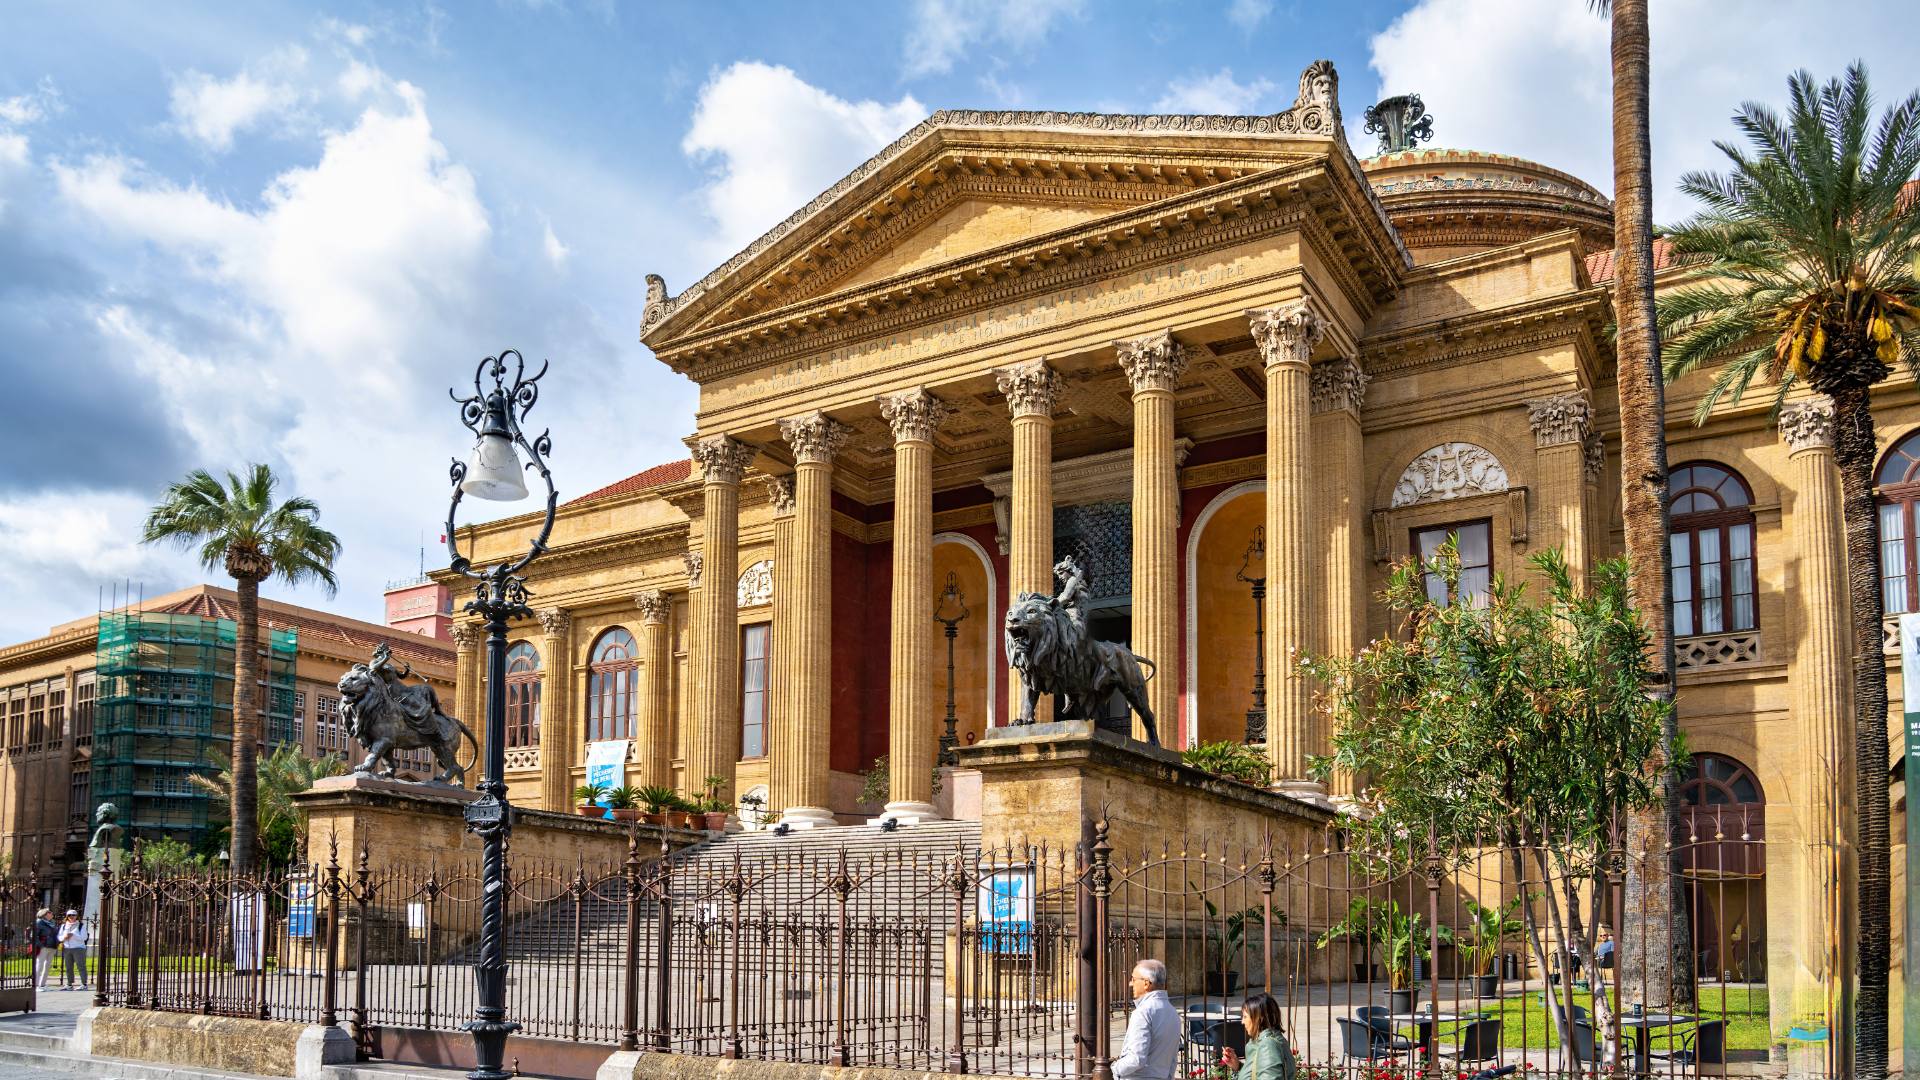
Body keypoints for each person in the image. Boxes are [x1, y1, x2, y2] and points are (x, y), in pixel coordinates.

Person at [1112, 958, 1180, 1080]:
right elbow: (1173, 1060)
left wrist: (1115, 1069)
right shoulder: (1172, 1012)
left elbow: (1136, 1059)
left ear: (1146, 983)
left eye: (1133, 979)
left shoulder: (1143, 1012)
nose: (1130, 983)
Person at [1220, 993, 1297, 1080]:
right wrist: (1238, 1066)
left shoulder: (1268, 1045)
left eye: (1245, 1017)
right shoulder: (1267, 1041)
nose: (1242, 1022)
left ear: (1259, 1018)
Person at [57, 909, 89, 989]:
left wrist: (73, 935)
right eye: (69, 915)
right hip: (67, 948)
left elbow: (84, 937)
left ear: (76, 916)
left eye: (73, 915)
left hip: (78, 948)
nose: (71, 917)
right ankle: (69, 984)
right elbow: (59, 937)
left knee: (81, 966)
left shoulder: (81, 925)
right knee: (68, 967)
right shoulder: (64, 926)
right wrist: (64, 937)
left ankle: (84, 984)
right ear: (67, 916)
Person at [30, 908, 57, 989]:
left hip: (52, 946)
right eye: (49, 912)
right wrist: (41, 945)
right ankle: (35, 985)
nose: (51, 913)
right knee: (39, 965)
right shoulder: (39, 922)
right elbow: (33, 935)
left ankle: (42, 984)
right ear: (44, 914)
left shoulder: (52, 922)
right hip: (44, 946)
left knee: (47, 966)